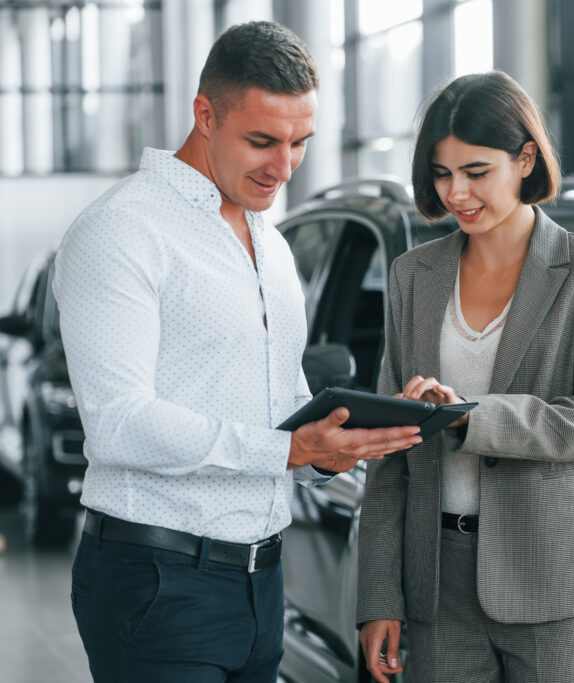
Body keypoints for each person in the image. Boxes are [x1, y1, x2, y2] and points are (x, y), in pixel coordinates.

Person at [53, 21, 422, 682]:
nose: (283, 167)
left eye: (300, 144)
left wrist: (345, 437)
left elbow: (278, 414)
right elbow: (117, 423)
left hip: (262, 583)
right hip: (157, 583)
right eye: (262, 141)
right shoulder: (121, 230)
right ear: (204, 115)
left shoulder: (270, 243)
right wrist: (290, 449)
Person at [356, 71, 574, 683]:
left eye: (476, 172)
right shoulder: (413, 275)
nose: (456, 193)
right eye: (441, 173)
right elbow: (386, 453)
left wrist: (468, 417)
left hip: (556, 578)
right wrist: (379, 597)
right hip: (435, 584)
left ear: (525, 158)